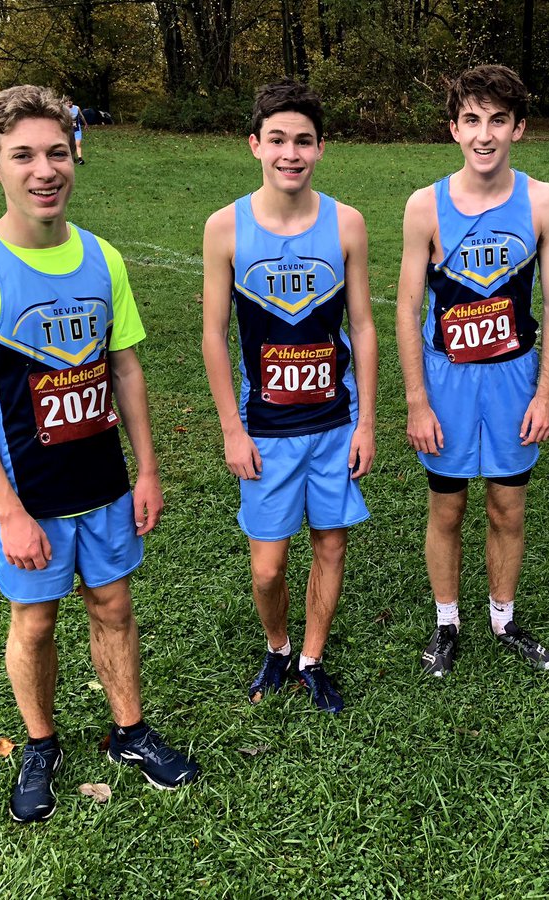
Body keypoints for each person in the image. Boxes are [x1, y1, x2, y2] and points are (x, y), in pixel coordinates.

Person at [0, 84, 198, 823]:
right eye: (23, 155)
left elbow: (127, 370)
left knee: (114, 605)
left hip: (104, 484)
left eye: (55, 151)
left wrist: (147, 470)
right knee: (37, 621)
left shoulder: (103, 258)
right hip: (29, 497)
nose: (44, 169)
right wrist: (8, 512)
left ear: (73, 154)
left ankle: (130, 733)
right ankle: (41, 743)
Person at [201, 80, 378, 714]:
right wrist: (231, 429)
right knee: (269, 567)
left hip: (334, 424)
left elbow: (362, 325)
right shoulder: (225, 227)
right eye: (277, 139)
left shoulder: (347, 223)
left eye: (303, 140)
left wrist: (366, 424)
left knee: (331, 545)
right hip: (266, 430)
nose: (291, 153)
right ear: (255, 145)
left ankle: (311, 657)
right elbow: (214, 337)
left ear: (321, 148)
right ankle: (276, 646)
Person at [395, 64, 549, 678]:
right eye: (472, 120)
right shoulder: (425, 206)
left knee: (507, 508)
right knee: (447, 509)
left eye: (498, 120)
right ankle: (447, 622)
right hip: (447, 382)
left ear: (518, 127)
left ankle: (503, 616)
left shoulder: (543, 200)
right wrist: (417, 400)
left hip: (514, 379)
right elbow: (409, 304)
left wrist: (548, 392)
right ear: (454, 129)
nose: (485, 134)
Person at [66, 96, 85, 164]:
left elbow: (81, 116)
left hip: (77, 129)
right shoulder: (64, 109)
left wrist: (86, 124)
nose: (69, 103)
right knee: (71, 145)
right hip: (69, 130)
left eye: (70, 101)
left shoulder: (76, 108)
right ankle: (72, 158)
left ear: (72, 102)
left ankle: (80, 159)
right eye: (67, 102)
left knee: (78, 144)